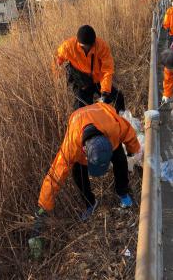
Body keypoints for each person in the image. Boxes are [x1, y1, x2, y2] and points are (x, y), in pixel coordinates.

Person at [29, 102, 140, 255]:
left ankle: (122, 192)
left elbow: (129, 132)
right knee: (78, 171)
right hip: (79, 120)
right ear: (83, 150)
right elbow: (55, 174)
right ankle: (90, 203)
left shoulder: (114, 129)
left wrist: (133, 150)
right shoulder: (71, 146)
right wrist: (43, 205)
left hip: (103, 114)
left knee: (120, 160)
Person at [55, 25, 125, 113]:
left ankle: (121, 121)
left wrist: (105, 92)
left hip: (99, 79)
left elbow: (107, 70)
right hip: (82, 83)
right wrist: (57, 79)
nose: (86, 49)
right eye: (83, 47)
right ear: (78, 42)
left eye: (89, 46)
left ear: (93, 42)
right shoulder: (68, 46)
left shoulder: (102, 46)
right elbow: (57, 60)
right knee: (81, 111)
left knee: (118, 98)